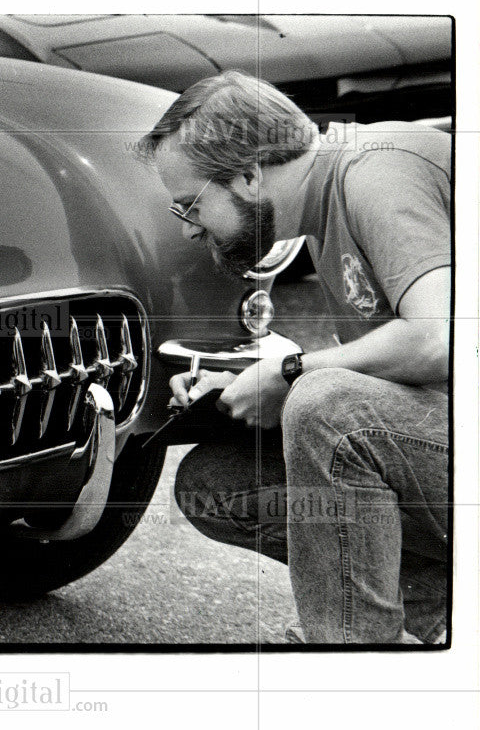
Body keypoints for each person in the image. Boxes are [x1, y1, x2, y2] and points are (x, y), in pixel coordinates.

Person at [137, 71, 451, 644]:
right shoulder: (321, 207)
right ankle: (434, 605)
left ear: (251, 175)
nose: (189, 230)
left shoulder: (376, 172)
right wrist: (247, 384)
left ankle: (349, 652)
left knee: (326, 405)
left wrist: (290, 375)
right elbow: (386, 376)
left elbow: (440, 340)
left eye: (189, 206)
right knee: (218, 483)